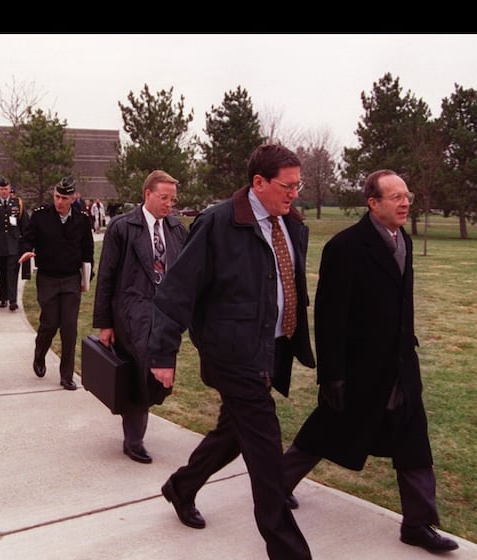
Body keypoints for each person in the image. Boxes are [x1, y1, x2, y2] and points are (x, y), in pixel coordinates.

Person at [148, 144, 315, 560]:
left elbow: (287, 285)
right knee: (265, 451)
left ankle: (182, 487)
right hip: (231, 353)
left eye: (299, 185)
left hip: (270, 350)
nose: (295, 193)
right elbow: (177, 292)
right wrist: (162, 354)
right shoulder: (219, 223)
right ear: (258, 183)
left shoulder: (292, 224)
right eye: (287, 185)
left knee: (233, 434)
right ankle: (289, 551)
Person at [282, 169, 459, 553]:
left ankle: (418, 523)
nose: (404, 202)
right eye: (395, 197)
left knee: (414, 441)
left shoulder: (405, 241)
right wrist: (333, 377)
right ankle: (275, 488)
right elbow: (330, 317)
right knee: (323, 433)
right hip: (357, 372)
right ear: (372, 203)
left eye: (406, 195)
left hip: (399, 366)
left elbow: (402, 304)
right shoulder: (345, 248)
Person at [92, 170, 187, 464]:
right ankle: (134, 438)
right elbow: (106, 276)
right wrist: (105, 323)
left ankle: (137, 421)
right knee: (137, 373)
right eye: (163, 197)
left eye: (172, 199)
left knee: (156, 377)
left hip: (165, 315)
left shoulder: (176, 229)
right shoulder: (123, 228)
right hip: (131, 313)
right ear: (147, 194)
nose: (169, 204)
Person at [18, 176, 94, 391]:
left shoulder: (81, 219)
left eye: (64, 198)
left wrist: (87, 278)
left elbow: (87, 252)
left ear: (73, 198)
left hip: (71, 279)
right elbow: (27, 238)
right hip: (48, 278)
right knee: (50, 323)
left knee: (69, 327)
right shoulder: (41, 216)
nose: (59, 202)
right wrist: (26, 250)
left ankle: (66, 375)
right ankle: (40, 354)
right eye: (57, 197)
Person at [0, 177, 28, 311]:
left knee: (12, 272)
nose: (4, 191)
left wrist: (25, 243)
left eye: (6, 189)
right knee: (2, 271)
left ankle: (13, 300)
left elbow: (24, 224)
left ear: (10, 189)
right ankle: (3, 298)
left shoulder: (18, 204)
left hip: (14, 244)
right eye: (1, 189)